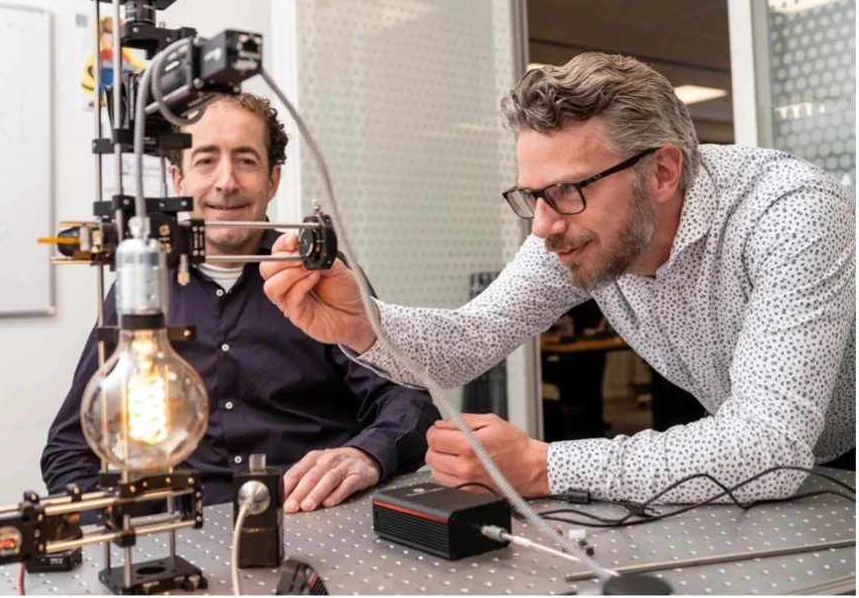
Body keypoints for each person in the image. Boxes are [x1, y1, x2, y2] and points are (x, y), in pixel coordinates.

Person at [260, 52, 856, 504]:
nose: (542, 226)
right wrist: (366, 325)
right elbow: (470, 340)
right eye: (532, 196)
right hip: (787, 472)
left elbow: (767, 448)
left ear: (663, 171)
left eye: (567, 190)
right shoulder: (570, 229)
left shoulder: (791, 214)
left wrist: (542, 466)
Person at [42, 94, 439, 514]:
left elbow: (409, 403)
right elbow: (70, 450)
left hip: (309, 518)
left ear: (273, 180)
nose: (226, 182)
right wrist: (121, 539)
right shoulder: (141, 288)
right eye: (206, 160)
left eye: (246, 160)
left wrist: (366, 456)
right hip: (186, 540)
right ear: (179, 180)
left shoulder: (319, 275)